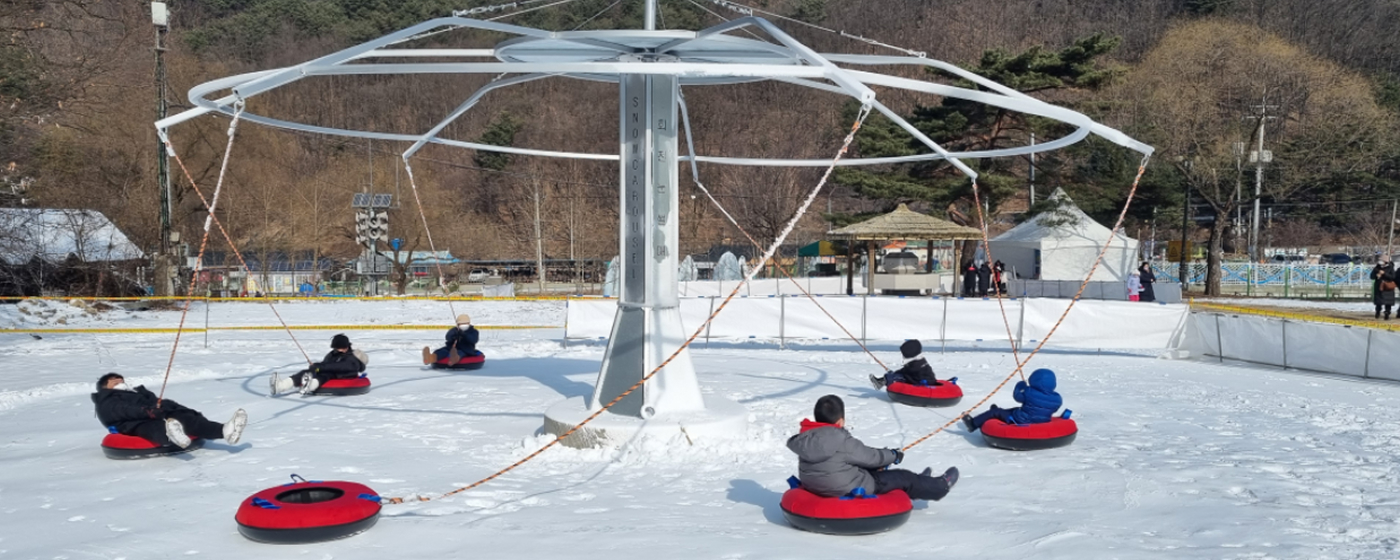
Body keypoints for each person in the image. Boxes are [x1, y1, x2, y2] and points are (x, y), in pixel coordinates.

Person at [787, 395, 958, 501]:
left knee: (876, 469)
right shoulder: (839, 439)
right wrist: (893, 455)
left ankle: (921, 483)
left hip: (819, 485)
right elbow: (871, 457)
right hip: (847, 487)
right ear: (840, 421)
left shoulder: (807, 438)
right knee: (902, 477)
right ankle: (939, 486)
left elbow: (842, 459)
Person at [92, 373, 246, 448]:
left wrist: (184, 412)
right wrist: (148, 411)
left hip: (150, 414)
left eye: (122, 381)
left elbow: (160, 404)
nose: (121, 382)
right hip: (130, 424)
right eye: (115, 381)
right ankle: (170, 435)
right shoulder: (107, 399)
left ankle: (224, 430)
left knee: (182, 417)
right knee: (151, 427)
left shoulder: (135, 394)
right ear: (105, 387)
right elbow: (123, 410)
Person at [962, 368, 1062, 432]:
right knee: (1015, 409)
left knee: (996, 412)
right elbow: (1052, 409)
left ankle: (973, 424)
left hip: (1022, 419)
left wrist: (1020, 386)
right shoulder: (1057, 398)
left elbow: (1017, 397)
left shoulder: (1029, 392)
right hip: (1043, 420)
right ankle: (1000, 412)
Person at [271, 334, 368, 396]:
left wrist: (321, 368)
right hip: (331, 372)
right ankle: (281, 386)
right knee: (306, 372)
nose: (340, 350)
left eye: (342, 348)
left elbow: (340, 367)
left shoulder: (352, 358)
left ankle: (310, 386)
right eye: (338, 348)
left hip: (342, 375)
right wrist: (316, 367)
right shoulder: (333, 354)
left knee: (326, 375)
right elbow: (326, 364)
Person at [869, 339, 944, 389]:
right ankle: (883, 380)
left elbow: (907, 373)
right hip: (921, 378)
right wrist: (896, 373)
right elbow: (906, 370)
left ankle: (880, 383)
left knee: (898, 377)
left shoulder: (917, 364)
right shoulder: (918, 360)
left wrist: (896, 375)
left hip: (922, 381)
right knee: (897, 374)